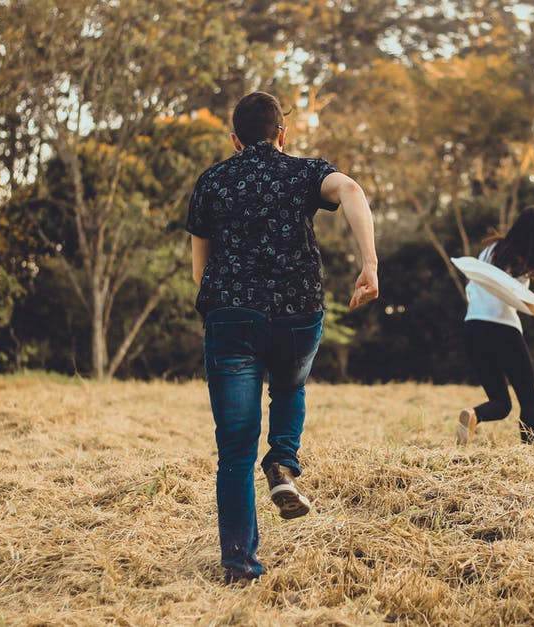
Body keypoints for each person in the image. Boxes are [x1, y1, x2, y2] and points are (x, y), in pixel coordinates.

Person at [186, 92, 378, 583]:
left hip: (231, 315)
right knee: (290, 387)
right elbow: (352, 191)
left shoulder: (211, 182)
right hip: (297, 311)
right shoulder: (305, 171)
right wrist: (369, 265)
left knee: (233, 449)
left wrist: (220, 309)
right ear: (282, 134)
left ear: (234, 140)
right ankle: (283, 462)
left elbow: (199, 269)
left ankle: (239, 564)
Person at [455, 205, 534, 446]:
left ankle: (473, 414)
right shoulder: (522, 260)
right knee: (530, 399)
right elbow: (513, 295)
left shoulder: (490, 251)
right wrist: (533, 305)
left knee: (501, 403)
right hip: (502, 328)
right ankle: (530, 455)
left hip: (472, 327)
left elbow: (481, 285)